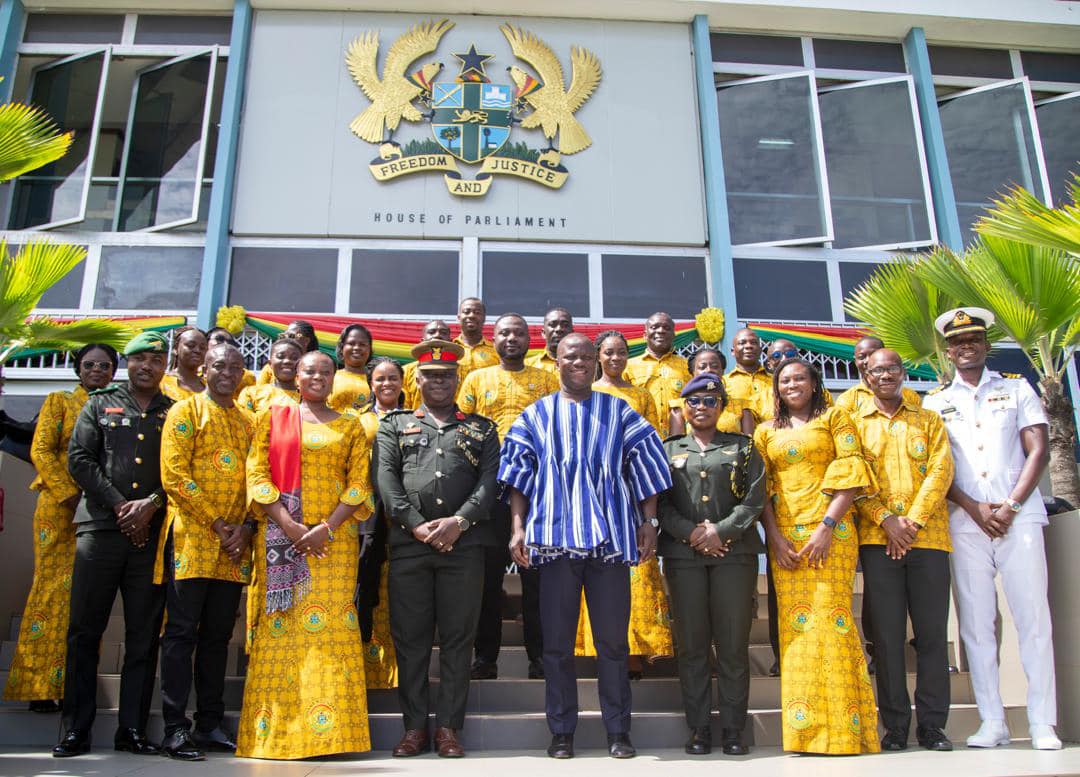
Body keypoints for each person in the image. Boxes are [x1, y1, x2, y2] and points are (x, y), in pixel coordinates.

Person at [501, 333, 672, 760]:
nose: (578, 362)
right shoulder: (535, 415)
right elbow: (518, 478)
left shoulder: (620, 412)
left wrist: (649, 521)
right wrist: (517, 528)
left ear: (596, 362)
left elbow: (648, 464)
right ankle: (561, 732)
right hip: (556, 546)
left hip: (610, 544)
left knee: (612, 644)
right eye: (568, 356)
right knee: (557, 646)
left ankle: (619, 731)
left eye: (585, 356)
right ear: (555, 361)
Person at [923, 308, 1061, 750]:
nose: (966, 348)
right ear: (948, 351)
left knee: (1032, 619)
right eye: (958, 343)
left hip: (1019, 518)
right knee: (977, 624)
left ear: (985, 346)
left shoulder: (1017, 390)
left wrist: (1012, 504)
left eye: (974, 341)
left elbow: (1037, 450)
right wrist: (976, 508)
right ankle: (993, 721)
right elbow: (937, 469)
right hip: (965, 522)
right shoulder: (934, 402)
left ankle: (1042, 722)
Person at [237, 350, 374, 760]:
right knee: (282, 632)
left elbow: (358, 486)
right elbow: (257, 475)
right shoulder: (273, 417)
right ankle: (276, 736)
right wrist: (292, 527)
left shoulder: (350, 426)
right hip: (283, 541)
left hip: (335, 544)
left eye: (325, 372)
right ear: (296, 375)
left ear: (334, 379)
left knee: (331, 633)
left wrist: (325, 528)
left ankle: (332, 736)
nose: (317, 377)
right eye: (309, 370)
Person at [376, 340, 500, 758]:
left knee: (457, 640)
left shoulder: (481, 428)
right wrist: (416, 525)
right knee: (409, 641)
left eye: (446, 375)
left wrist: (459, 521)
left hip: (463, 548)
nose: (439, 382)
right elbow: (387, 481)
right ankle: (414, 728)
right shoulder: (394, 424)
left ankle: (448, 727)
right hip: (410, 546)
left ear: (457, 378)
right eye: (430, 375)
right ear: (419, 378)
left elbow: (489, 484)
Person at [55, 332, 173, 758]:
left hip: (149, 538)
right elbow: (79, 460)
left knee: (144, 637)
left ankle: (133, 731)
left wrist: (150, 505)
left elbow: (178, 470)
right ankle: (75, 730)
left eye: (156, 360)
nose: (147, 366)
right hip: (101, 531)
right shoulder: (99, 403)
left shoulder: (172, 413)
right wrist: (124, 507)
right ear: (128, 362)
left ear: (165, 366)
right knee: (85, 632)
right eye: (140, 358)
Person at [753, 357, 878, 754]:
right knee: (798, 633)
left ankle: (845, 733)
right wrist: (773, 537)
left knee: (833, 623)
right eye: (784, 380)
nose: (792, 385)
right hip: (787, 542)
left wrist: (826, 527)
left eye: (799, 378)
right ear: (776, 388)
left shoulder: (836, 418)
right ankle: (806, 734)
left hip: (833, 534)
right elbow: (763, 491)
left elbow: (852, 474)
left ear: (813, 383)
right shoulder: (764, 431)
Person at [3, 345, 117, 713]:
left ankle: (71, 685)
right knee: (50, 593)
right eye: (89, 364)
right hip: (59, 508)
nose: (97, 370)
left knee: (88, 598)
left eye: (104, 365)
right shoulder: (59, 402)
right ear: (77, 369)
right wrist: (68, 493)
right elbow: (42, 450)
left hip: (98, 510)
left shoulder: (114, 407)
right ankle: (37, 685)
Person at [850, 348, 954, 752]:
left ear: (902, 373)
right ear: (867, 377)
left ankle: (932, 726)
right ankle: (895, 727)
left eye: (891, 368)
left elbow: (942, 471)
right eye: (876, 371)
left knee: (930, 637)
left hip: (928, 540)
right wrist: (886, 520)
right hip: (878, 543)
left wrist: (911, 521)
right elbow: (853, 477)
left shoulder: (929, 419)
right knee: (888, 639)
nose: (885, 375)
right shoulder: (856, 425)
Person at [156, 343, 255, 760]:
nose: (227, 372)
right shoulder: (185, 411)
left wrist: (247, 528)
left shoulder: (249, 421)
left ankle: (209, 723)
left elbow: (259, 476)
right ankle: (175, 728)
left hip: (233, 549)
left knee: (217, 637)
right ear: (203, 368)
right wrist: (218, 523)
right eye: (219, 365)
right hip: (194, 540)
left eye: (235, 366)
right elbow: (174, 476)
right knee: (180, 634)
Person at [659, 373, 765, 756]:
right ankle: (700, 728)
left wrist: (721, 532)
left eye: (709, 401)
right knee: (692, 645)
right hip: (683, 557)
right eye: (693, 402)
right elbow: (660, 504)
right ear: (683, 407)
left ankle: (734, 729)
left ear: (722, 407)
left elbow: (754, 501)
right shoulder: (668, 449)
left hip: (733, 556)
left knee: (733, 643)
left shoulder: (743, 447)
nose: (701, 408)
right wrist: (694, 535)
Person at [459, 314, 558, 680]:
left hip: (535, 489)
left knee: (536, 577)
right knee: (486, 578)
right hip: (488, 489)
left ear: (530, 338)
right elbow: (460, 432)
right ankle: (485, 658)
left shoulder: (547, 379)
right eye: (504, 332)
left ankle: (540, 657)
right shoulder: (476, 379)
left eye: (518, 332)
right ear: (493, 338)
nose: (511, 338)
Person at [575, 330, 672, 676]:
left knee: (638, 569)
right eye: (609, 353)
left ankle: (645, 644)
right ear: (598, 356)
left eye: (621, 353)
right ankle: (611, 649)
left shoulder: (642, 395)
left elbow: (652, 445)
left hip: (632, 489)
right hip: (594, 491)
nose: (615, 359)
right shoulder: (586, 393)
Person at [835, 335, 921, 674]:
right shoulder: (845, 403)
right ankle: (872, 646)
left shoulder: (911, 399)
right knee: (871, 584)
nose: (866, 360)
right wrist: (882, 515)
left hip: (911, 519)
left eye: (872, 354)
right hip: (861, 510)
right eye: (860, 357)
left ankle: (905, 643)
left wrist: (907, 519)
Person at [355, 356, 404, 690]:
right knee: (365, 589)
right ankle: (363, 673)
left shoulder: (416, 419)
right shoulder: (356, 421)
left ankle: (397, 676)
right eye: (380, 379)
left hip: (402, 518)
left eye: (392, 379)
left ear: (402, 382)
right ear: (370, 384)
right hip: (365, 519)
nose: (386, 384)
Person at [625, 311, 690, 436]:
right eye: (654, 327)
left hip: (679, 442)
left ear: (674, 335)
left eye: (667, 328)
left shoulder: (687, 366)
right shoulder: (629, 367)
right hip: (641, 439)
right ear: (645, 335)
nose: (660, 331)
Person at [670, 346, 752, 436]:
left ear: (722, 370)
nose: (709, 370)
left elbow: (749, 445)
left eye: (714, 366)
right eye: (702, 367)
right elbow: (676, 447)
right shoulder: (680, 407)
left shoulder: (741, 407)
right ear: (692, 372)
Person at [237, 336, 301, 418]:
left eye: (294, 358)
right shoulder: (251, 394)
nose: (287, 361)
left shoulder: (310, 397)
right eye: (280, 356)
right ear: (270, 364)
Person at [724, 328, 771, 422]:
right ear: (733, 351)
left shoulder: (776, 380)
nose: (748, 346)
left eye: (753, 342)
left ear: (761, 350)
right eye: (742, 343)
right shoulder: (724, 382)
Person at [403, 319, 454, 408]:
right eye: (432, 332)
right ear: (422, 341)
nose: (438, 335)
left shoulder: (459, 370)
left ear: (451, 341)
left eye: (443, 332)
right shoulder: (405, 372)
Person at [329, 324, 373, 417]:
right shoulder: (330, 377)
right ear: (342, 348)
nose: (357, 348)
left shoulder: (379, 380)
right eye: (351, 343)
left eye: (362, 344)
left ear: (369, 349)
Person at [256, 320, 318, 384]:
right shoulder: (272, 368)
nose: (287, 339)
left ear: (306, 341)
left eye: (291, 336)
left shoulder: (318, 368)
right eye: (285, 336)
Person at [159, 326, 208, 401]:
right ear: (175, 348)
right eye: (191, 346)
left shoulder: (210, 387)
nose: (197, 350)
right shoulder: (161, 383)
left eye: (202, 347)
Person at [207, 327, 257, 394]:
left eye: (230, 342)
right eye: (220, 339)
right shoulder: (193, 372)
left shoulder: (246, 377)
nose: (225, 343)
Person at [525, 307, 573, 374]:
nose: (559, 329)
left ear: (572, 333)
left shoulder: (584, 366)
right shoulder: (527, 366)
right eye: (553, 325)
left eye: (565, 325)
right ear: (544, 333)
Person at [455, 298, 497, 375]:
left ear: (484, 318)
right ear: (459, 317)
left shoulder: (496, 351)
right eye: (466, 312)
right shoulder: (450, 349)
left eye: (477, 312)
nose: (471, 316)